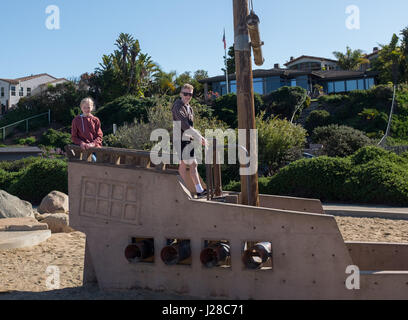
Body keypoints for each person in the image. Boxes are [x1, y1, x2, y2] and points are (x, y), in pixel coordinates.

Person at [172, 84, 208, 197]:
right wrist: (199, 137)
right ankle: (192, 191)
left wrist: (196, 137)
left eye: (190, 94)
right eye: (185, 93)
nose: (188, 96)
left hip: (187, 139)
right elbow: (184, 125)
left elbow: (190, 127)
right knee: (189, 164)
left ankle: (196, 190)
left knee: (189, 165)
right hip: (181, 140)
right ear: (180, 94)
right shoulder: (177, 106)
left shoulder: (189, 108)